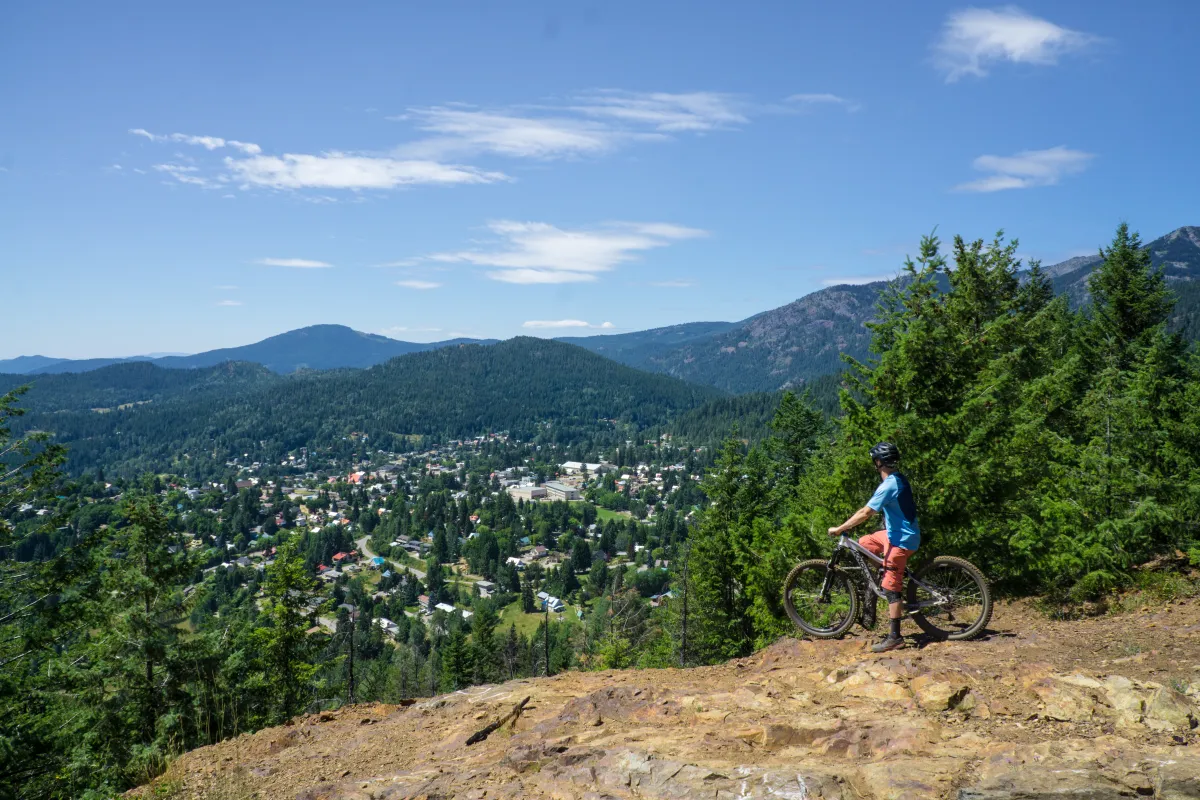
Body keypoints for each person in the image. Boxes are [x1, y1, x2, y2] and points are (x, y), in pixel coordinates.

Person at [826, 442, 920, 653]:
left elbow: (866, 513)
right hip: (893, 535)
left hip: (901, 540)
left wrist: (840, 528)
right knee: (865, 543)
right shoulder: (897, 478)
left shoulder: (889, 485)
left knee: (891, 588)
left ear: (879, 462)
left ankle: (895, 637)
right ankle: (887, 570)